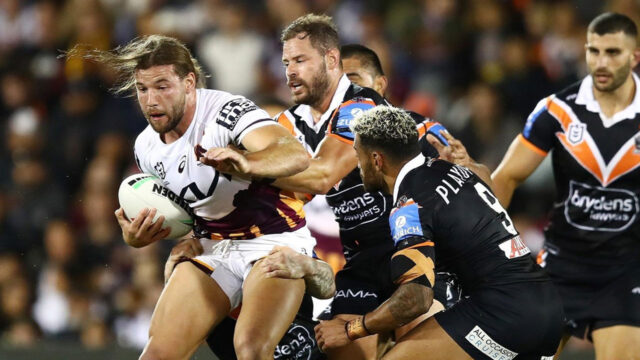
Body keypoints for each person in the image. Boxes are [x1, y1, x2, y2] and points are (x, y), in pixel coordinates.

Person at [75, 34, 323, 360]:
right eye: (142, 88)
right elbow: (184, 208)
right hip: (215, 248)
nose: (151, 100)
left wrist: (248, 163)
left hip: (274, 243)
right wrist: (137, 237)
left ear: (189, 81)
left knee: (251, 350)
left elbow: (295, 155)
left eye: (162, 86)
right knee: (157, 354)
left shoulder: (226, 113)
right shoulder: (146, 147)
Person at [272, 14, 479, 359]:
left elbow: (473, 174)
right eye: (286, 63)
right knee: (342, 348)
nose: (290, 70)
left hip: (417, 248)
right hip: (363, 260)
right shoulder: (290, 123)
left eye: (299, 60)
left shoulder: (402, 120)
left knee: (416, 343)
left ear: (379, 86)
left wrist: (466, 166)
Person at [315, 105, 563, 359]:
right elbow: (485, 181)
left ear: (377, 160)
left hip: (503, 313)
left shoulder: (408, 205)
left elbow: (416, 298)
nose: (357, 167)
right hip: (547, 307)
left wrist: (351, 329)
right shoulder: (453, 169)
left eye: (358, 157)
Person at [492, 12, 640, 358]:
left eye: (613, 52)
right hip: (561, 266)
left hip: (626, 273)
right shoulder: (557, 111)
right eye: (593, 51)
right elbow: (505, 177)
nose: (600, 62)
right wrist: (490, 250)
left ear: (635, 57)